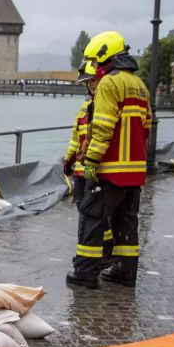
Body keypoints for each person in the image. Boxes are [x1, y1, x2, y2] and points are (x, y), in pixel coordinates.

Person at [67, 31, 151, 289]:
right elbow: (146, 126)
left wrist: (90, 161)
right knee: (126, 222)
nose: (93, 67)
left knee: (92, 218)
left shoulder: (108, 83)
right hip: (134, 171)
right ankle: (125, 272)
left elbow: (102, 128)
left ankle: (85, 273)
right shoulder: (139, 84)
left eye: (94, 60)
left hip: (110, 169)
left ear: (104, 56)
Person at [63, 62, 114, 263]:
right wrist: (68, 160)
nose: (91, 85)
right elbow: (77, 137)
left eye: (93, 80)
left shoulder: (105, 103)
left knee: (94, 215)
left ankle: (103, 253)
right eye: (87, 82)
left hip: (95, 168)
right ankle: (96, 251)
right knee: (85, 212)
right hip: (81, 169)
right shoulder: (85, 106)